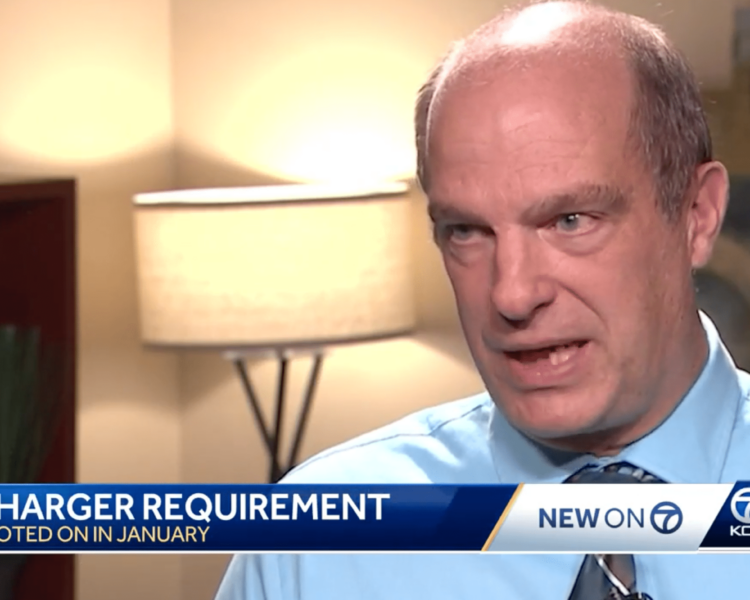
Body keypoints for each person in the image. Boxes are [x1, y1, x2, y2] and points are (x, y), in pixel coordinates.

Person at [215, 1, 750, 598]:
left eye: (569, 220)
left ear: (697, 215)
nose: (512, 294)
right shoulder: (313, 548)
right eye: (466, 231)